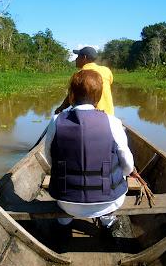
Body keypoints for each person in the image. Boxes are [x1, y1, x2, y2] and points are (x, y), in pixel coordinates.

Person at [45, 69, 134, 227]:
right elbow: (127, 166)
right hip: (110, 199)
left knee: (64, 196)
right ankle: (107, 221)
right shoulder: (113, 122)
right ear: (98, 97)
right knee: (120, 172)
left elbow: (50, 159)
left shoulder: (56, 121)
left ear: (71, 95)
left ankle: (64, 221)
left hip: (65, 199)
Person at [55, 46, 114, 116]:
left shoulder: (79, 75)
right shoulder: (106, 70)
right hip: (109, 115)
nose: (76, 59)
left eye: (78, 56)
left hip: (92, 117)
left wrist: (60, 108)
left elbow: (70, 97)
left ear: (84, 58)